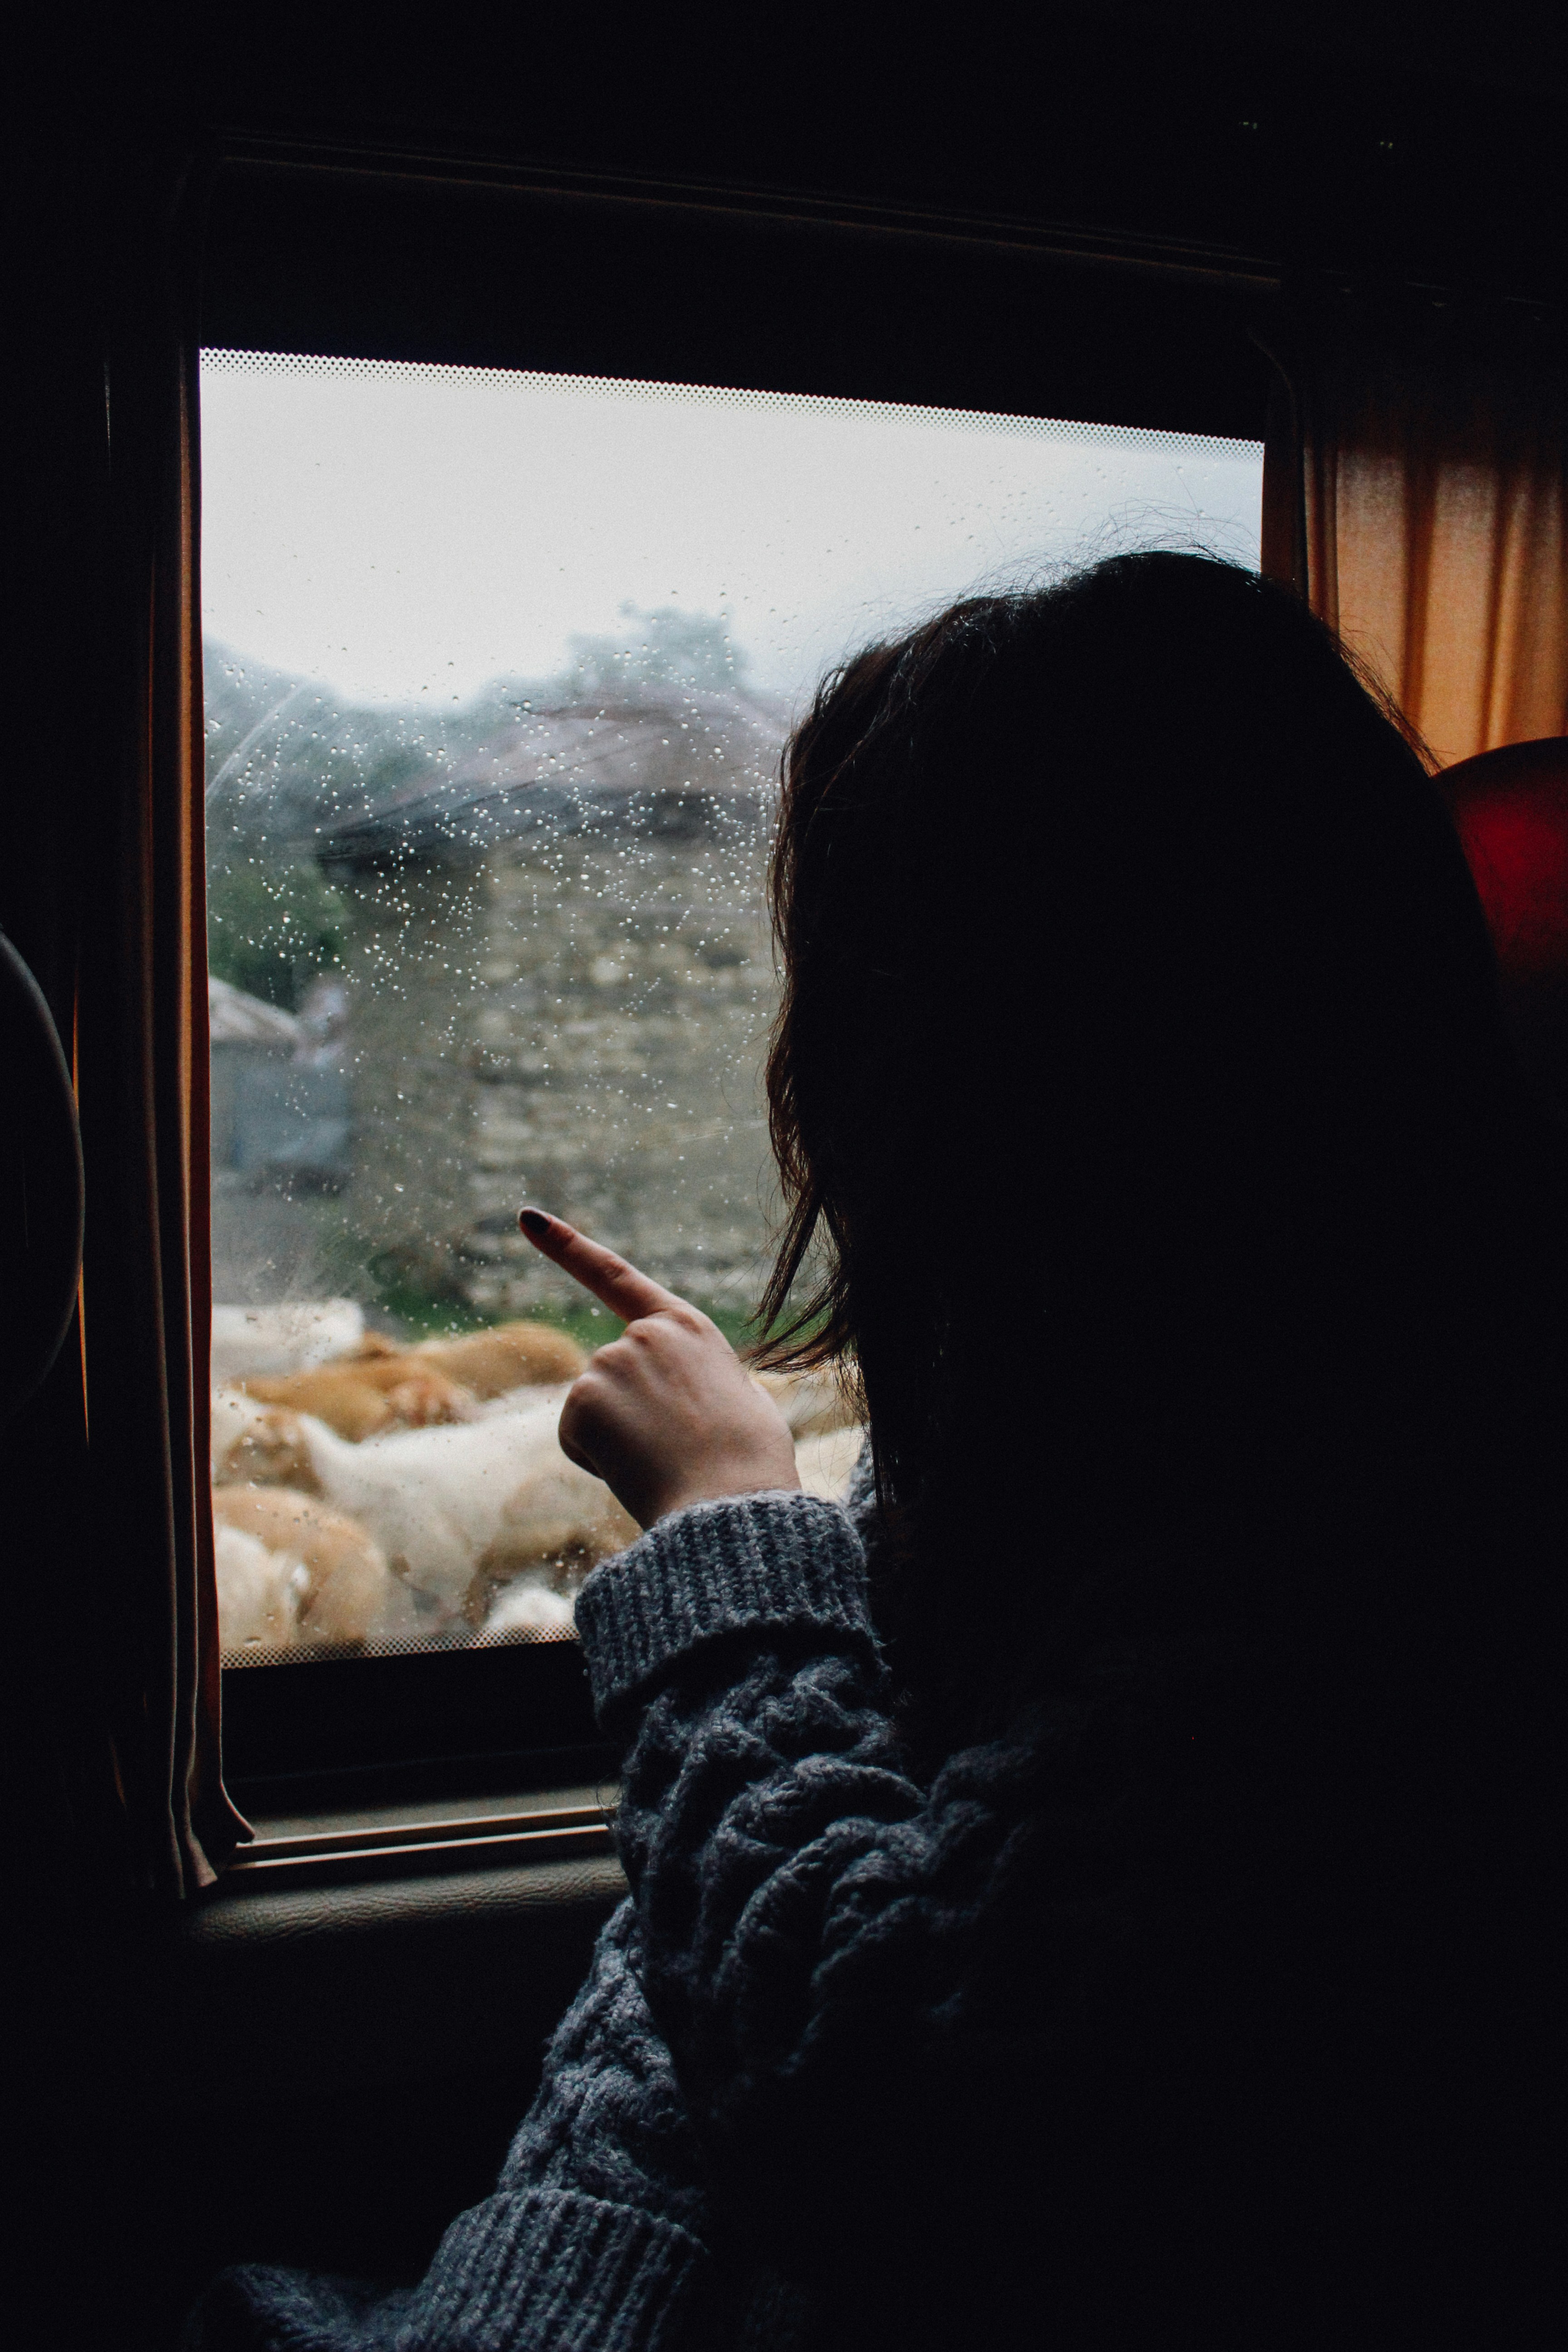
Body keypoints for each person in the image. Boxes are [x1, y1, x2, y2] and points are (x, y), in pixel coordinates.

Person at [187, 554, 1565, 2351]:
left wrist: (718, 1531)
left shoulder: (1351, 1590)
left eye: (842, 982)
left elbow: (888, 2111)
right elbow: (751, 2002)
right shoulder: (1108, 1458)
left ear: (1017, 1068)